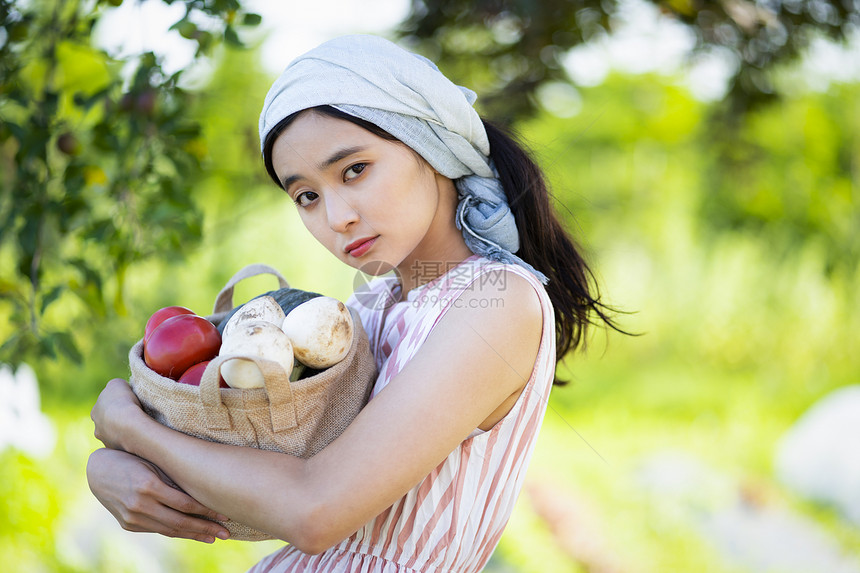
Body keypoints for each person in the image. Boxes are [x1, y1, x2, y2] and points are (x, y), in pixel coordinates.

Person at [87, 34, 620, 572]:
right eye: (307, 196)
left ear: (429, 144)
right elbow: (265, 481)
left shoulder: (495, 301)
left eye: (355, 170)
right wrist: (113, 467)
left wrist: (132, 430)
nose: (336, 217)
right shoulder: (370, 306)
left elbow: (313, 511)